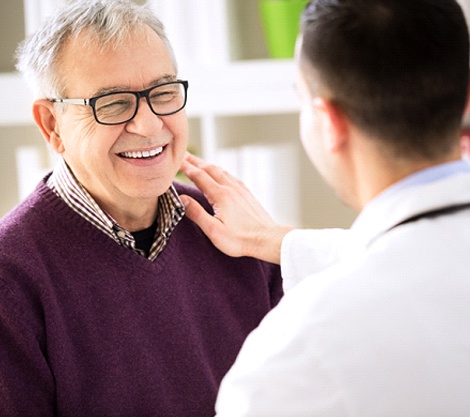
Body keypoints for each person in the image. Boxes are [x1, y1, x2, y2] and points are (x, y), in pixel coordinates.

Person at [179, 0, 470, 415]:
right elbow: (429, 260)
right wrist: (281, 242)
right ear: (468, 94)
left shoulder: (296, 355)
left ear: (328, 122)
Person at [0, 1, 282, 416]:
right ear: (51, 125)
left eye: (164, 93)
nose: (148, 125)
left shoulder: (237, 230)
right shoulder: (12, 274)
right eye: (113, 103)